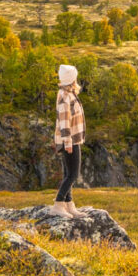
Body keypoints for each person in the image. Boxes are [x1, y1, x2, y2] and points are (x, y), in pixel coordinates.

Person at [51, 64, 87, 218]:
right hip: (70, 140)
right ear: (72, 79)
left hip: (72, 140)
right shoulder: (66, 97)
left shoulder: (68, 94)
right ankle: (58, 205)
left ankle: (68, 204)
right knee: (73, 174)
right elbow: (64, 122)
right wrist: (68, 143)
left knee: (68, 173)